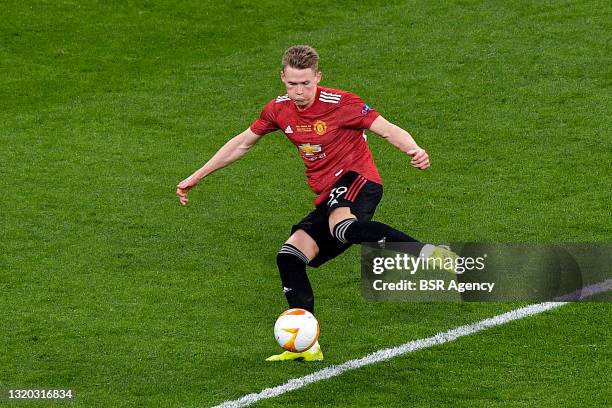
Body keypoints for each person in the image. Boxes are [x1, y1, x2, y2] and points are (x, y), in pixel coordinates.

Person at [176, 45, 456, 362]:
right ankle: (307, 347)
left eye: (306, 83)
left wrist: (414, 150)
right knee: (289, 256)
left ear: (317, 78)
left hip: (358, 179)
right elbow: (242, 143)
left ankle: (431, 255)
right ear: (283, 78)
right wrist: (197, 175)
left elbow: (387, 129)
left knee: (342, 227)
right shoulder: (278, 110)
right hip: (327, 194)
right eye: (292, 83)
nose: (299, 91)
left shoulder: (343, 104)